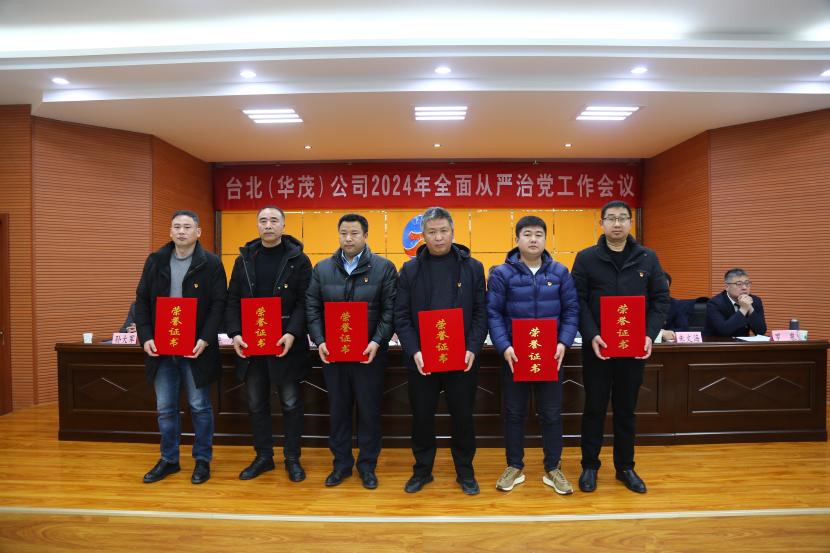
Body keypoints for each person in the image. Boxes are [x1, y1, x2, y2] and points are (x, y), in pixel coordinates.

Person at [571, 200, 669, 494]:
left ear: (630, 223)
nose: (617, 223)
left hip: (633, 347)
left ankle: (625, 467)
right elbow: (577, 301)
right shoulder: (586, 258)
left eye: (623, 218)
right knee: (594, 407)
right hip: (598, 348)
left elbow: (660, 300)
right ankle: (590, 465)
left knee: (626, 409)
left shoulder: (647, 258)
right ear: (601, 223)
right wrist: (591, 335)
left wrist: (649, 335)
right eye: (611, 218)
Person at [393, 206, 488, 495]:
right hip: (422, 360)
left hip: (462, 359)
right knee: (422, 417)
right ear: (422, 235)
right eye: (432, 232)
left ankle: (465, 472)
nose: (438, 237)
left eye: (443, 231)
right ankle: (422, 471)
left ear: (453, 233)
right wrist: (414, 351)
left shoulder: (472, 267)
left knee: (463, 417)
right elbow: (401, 315)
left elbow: (481, 313)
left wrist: (472, 348)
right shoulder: (410, 270)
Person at [486, 216, 579, 494]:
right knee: (514, 413)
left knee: (551, 413)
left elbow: (571, 310)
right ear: (517, 239)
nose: (533, 239)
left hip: (550, 355)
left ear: (545, 239)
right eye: (527, 234)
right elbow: (494, 313)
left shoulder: (560, 272)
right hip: (515, 355)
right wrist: (505, 346)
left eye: (539, 234)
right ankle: (514, 466)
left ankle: (553, 468)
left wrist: (563, 342)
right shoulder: (502, 274)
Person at [134, 210, 227, 485]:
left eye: (187, 227)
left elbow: (219, 304)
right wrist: (146, 336)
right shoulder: (155, 261)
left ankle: (202, 460)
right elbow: (141, 301)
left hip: (196, 347)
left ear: (198, 232)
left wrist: (205, 339)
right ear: (170, 231)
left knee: (199, 406)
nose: (181, 231)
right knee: (165, 408)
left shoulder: (211, 263)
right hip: (162, 348)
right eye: (177, 226)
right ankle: (169, 459)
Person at [305, 213, 398, 489]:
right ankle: (341, 465)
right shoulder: (322, 268)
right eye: (344, 233)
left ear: (365, 236)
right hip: (333, 354)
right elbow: (312, 307)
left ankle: (367, 466)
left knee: (369, 412)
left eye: (354, 233)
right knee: (339, 411)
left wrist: (377, 342)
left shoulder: (384, 268)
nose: (348, 238)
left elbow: (390, 310)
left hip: (369, 355)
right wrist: (320, 340)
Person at [224, 206, 313, 483]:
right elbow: (232, 300)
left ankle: (292, 458)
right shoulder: (244, 260)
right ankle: (263, 456)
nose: (268, 225)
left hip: (285, 343)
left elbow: (305, 302)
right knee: (256, 403)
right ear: (257, 225)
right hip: (252, 344)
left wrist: (292, 333)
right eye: (263, 220)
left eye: (274, 220)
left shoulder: (299, 260)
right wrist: (235, 333)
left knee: (290, 402)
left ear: (283, 225)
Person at [704, 268, 767, 337]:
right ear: (727, 287)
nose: (744, 287)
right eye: (739, 284)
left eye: (747, 283)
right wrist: (744, 309)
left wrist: (750, 308)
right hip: (718, 342)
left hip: (743, 342)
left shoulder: (755, 301)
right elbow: (724, 331)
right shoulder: (714, 303)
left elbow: (761, 332)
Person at [659, 273, 690, 342]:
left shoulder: (676, 305)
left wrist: (670, 333)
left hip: (668, 344)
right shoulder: (643, 304)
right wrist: (661, 333)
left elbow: (684, 329)